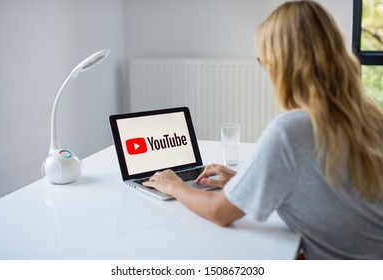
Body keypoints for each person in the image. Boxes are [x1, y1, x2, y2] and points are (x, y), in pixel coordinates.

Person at [143, 0, 383, 259]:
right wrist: (242, 182)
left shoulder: (291, 130)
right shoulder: (368, 114)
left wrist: (174, 186)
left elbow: (219, 213)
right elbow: (327, 191)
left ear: (282, 63)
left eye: (263, 59)